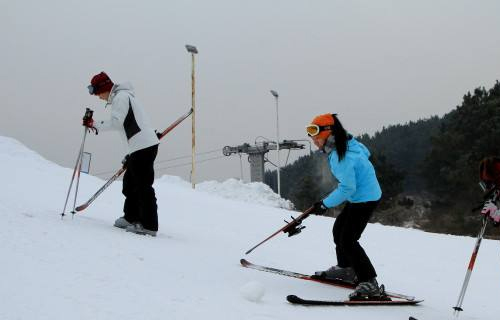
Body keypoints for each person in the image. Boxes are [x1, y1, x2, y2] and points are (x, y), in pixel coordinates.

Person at [306, 113, 383, 300]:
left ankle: (369, 282)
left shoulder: (343, 156)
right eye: (311, 135)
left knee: (348, 240)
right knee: (338, 230)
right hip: (360, 197)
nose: (314, 140)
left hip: (365, 199)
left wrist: (324, 204)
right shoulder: (346, 145)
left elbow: (348, 188)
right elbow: (364, 152)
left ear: (329, 133)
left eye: (316, 134)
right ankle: (347, 269)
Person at [83, 71, 160, 236]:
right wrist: (129, 154)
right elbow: (129, 128)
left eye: (97, 92)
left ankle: (149, 225)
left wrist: (94, 124)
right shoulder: (122, 97)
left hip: (143, 146)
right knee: (130, 184)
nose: (97, 97)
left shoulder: (121, 98)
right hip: (138, 147)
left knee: (142, 185)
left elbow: (117, 123)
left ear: (104, 88)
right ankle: (131, 217)